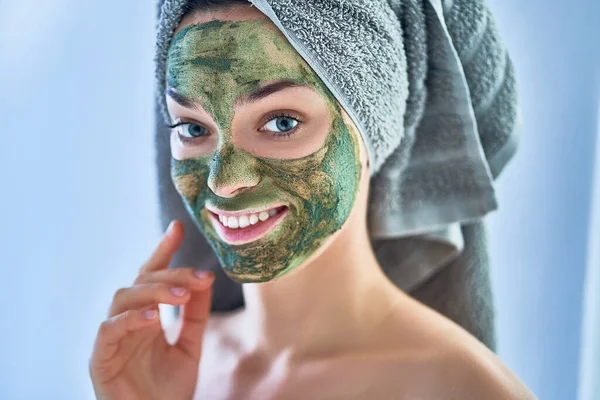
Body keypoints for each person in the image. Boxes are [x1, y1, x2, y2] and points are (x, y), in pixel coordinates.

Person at [89, 1, 535, 399]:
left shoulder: (461, 389)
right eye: (192, 128)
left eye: (281, 122)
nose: (223, 182)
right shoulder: (170, 371)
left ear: (372, 130)